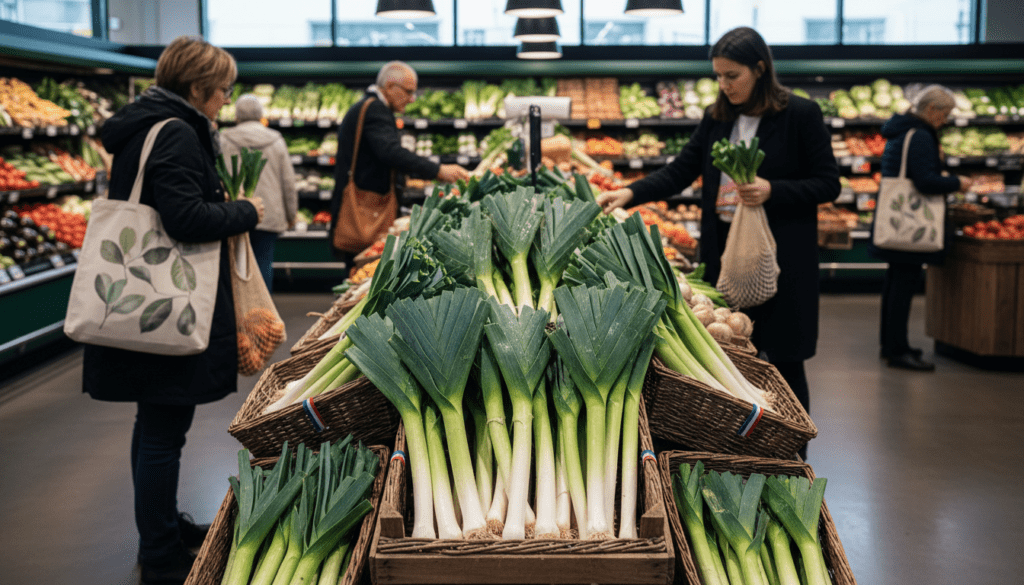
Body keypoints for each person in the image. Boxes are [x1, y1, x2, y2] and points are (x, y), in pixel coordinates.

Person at [84, 36, 264, 585]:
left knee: (154, 425)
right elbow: (185, 219)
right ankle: (161, 555)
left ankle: (159, 529)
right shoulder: (178, 132)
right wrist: (244, 210)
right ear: (198, 88)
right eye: (222, 91)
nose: (225, 101)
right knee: (164, 430)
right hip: (168, 303)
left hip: (145, 296)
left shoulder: (142, 125)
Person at [598, 27, 841, 426]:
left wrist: (772, 189)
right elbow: (681, 170)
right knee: (728, 355)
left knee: (784, 360)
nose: (724, 85)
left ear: (759, 69)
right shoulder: (717, 117)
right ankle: (739, 443)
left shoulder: (800, 114)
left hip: (781, 259)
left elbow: (828, 183)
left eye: (732, 76)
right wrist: (630, 192)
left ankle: (794, 445)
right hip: (724, 253)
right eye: (718, 76)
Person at [329, 60, 469, 269]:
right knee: (363, 271)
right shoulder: (375, 109)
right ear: (390, 86)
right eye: (408, 91)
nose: (412, 99)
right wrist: (438, 170)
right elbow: (390, 152)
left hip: (366, 207)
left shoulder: (367, 106)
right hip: (367, 210)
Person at [869, 85, 970, 371]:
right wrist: (957, 183)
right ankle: (898, 351)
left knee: (894, 285)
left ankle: (892, 345)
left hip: (897, 221)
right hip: (910, 224)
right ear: (931, 109)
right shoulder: (921, 135)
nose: (945, 121)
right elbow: (925, 181)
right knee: (903, 287)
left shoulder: (901, 130)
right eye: (944, 114)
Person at [219, 94, 298, 293]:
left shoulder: (224, 138)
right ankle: (262, 309)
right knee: (264, 262)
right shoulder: (276, 140)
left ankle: (239, 308)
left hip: (234, 211)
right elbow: (288, 182)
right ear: (261, 115)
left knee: (235, 265)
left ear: (237, 115)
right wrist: (291, 215)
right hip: (268, 212)